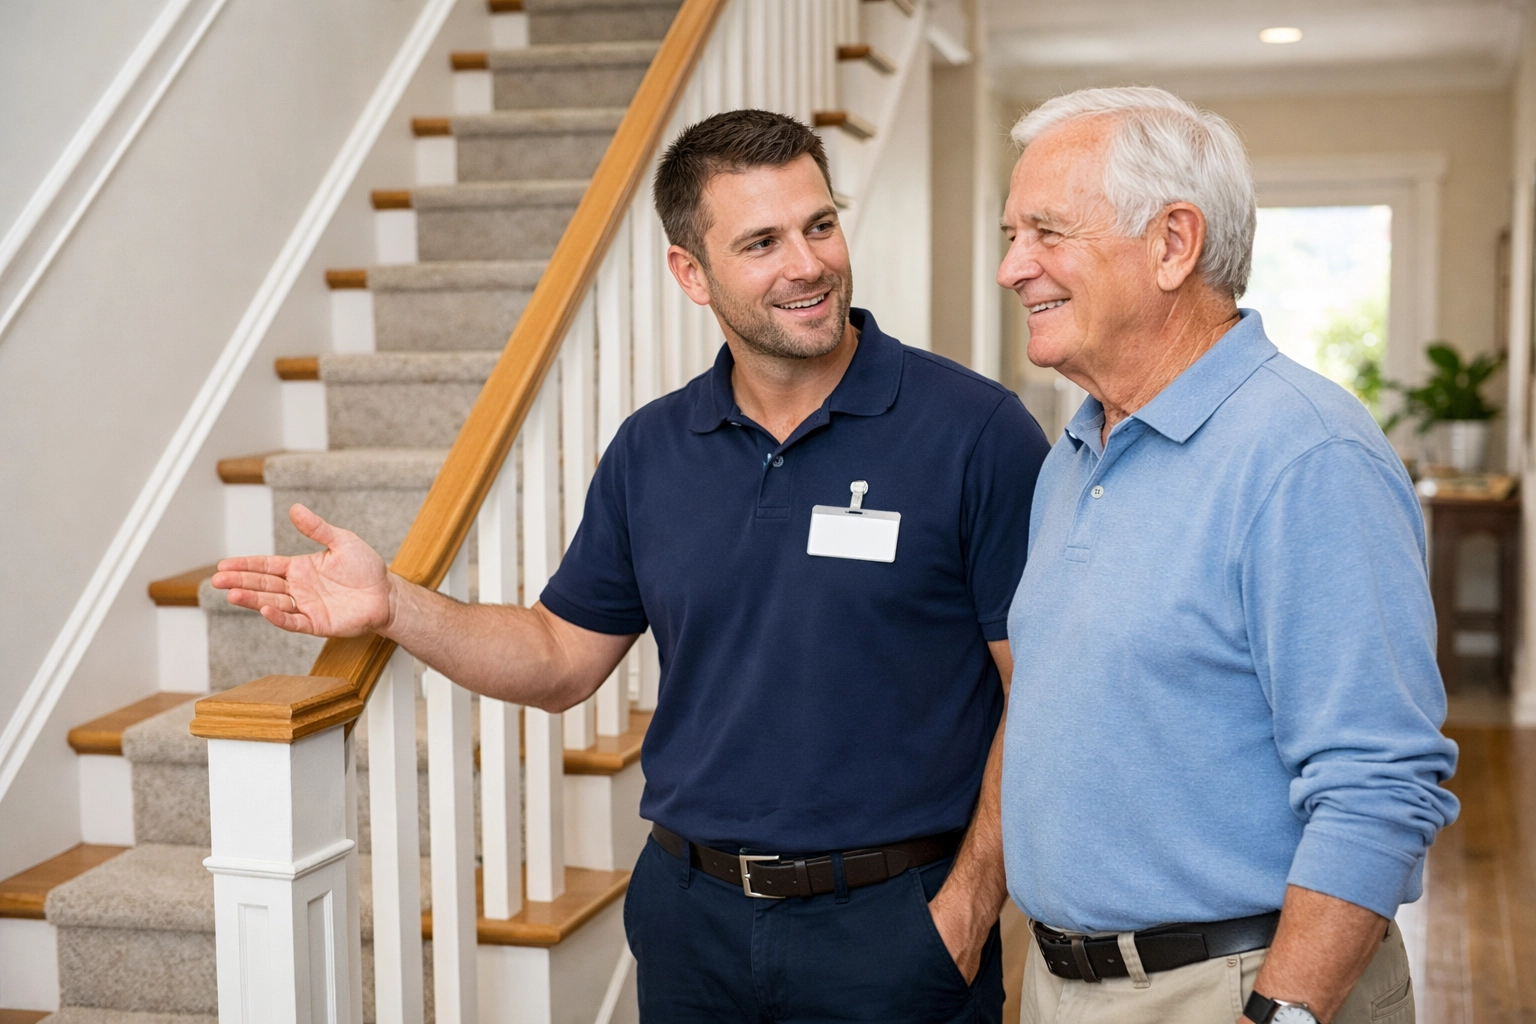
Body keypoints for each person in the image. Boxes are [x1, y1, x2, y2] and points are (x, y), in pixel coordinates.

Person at [215, 109, 1050, 1023]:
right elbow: (558, 657)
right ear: (690, 273)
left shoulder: (975, 431)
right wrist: (393, 607)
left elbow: (1042, 690)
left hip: (895, 924)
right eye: (761, 243)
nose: (809, 264)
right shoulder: (651, 449)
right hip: (691, 923)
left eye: (819, 225)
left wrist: (968, 909)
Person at [995, 86, 1459, 1024]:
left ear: (1173, 243)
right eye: (1011, 235)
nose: (1012, 268)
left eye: (1047, 232)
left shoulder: (1308, 455)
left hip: (1242, 987)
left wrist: (1283, 1011)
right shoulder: (1072, 455)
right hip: (1059, 985)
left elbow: (1379, 787)